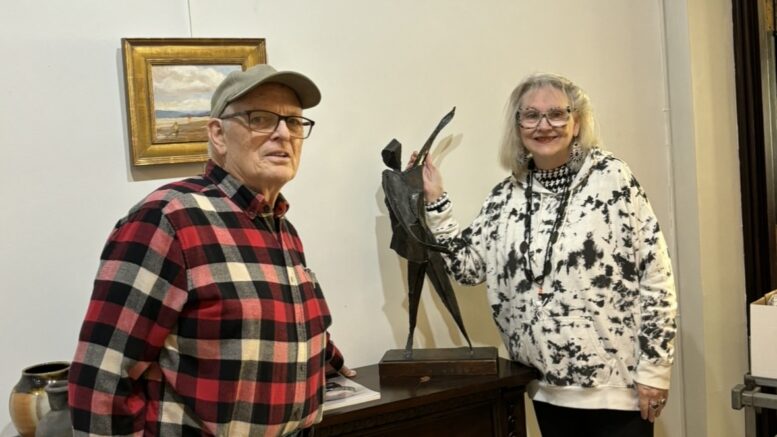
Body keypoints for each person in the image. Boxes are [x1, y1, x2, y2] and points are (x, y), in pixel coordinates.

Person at [69, 64, 355, 437]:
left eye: (295, 122)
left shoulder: (282, 228)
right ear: (218, 135)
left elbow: (273, 323)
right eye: (261, 118)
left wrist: (331, 359)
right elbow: (102, 379)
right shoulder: (169, 219)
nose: (283, 134)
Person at [415, 73, 677, 437]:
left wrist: (654, 371)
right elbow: (467, 267)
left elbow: (656, 276)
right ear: (518, 125)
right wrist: (435, 201)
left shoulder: (611, 178)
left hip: (615, 392)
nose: (544, 125)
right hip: (544, 390)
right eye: (531, 115)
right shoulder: (505, 197)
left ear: (577, 122)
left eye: (557, 114)